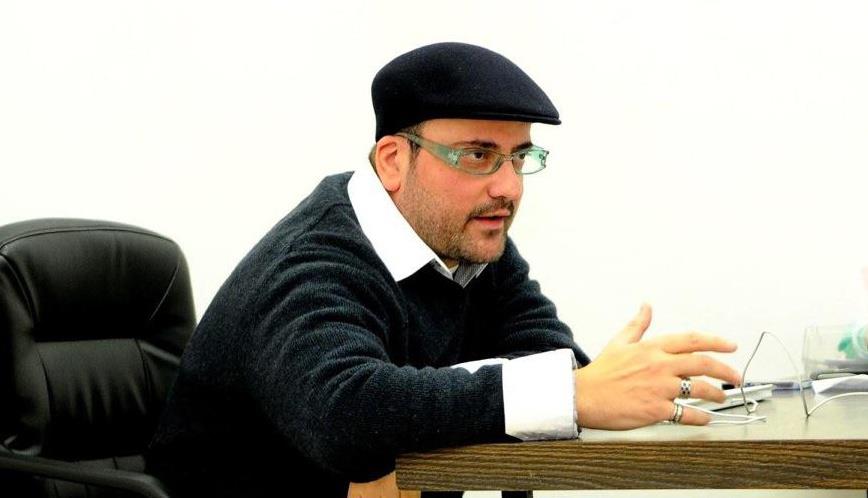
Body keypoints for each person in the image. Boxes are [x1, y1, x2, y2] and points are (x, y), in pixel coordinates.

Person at [146, 42, 742, 498]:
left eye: (519, 158)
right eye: (477, 155)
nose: (509, 188)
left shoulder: (470, 238)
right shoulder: (312, 262)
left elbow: (548, 358)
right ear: (392, 161)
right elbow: (346, 414)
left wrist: (572, 388)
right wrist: (561, 394)